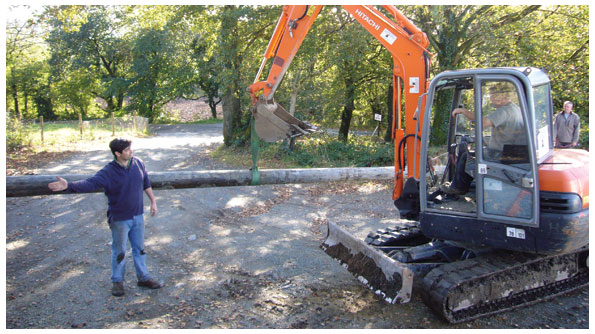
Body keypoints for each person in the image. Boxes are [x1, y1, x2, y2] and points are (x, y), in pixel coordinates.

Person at [48, 138, 162, 297]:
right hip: (120, 218)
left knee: (140, 249)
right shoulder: (109, 172)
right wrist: (68, 186)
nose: (131, 151)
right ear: (117, 153)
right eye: (127, 150)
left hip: (138, 215)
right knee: (119, 250)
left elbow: (146, 183)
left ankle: (143, 277)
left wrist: (153, 202)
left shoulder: (138, 163)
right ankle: (117, 281)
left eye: (131, 148)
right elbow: (90, 183)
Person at [441, 82, 526, 195]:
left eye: (492, 97)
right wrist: (484, 141)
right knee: (473, 154)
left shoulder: (504, 111)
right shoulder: (515, 109)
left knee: (467, 156)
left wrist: (464, 112)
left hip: (500, 155)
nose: (490, 101)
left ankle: (458, 187)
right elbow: (504, 134)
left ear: (501, 96)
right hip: (509, 153)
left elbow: (483, 123)